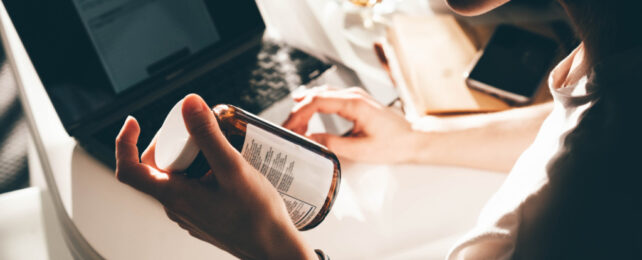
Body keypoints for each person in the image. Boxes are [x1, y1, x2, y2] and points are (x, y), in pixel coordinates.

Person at [114, 0, 642, 258]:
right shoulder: (618, 48)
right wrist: (416, 138)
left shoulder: (589, 209)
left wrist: (269, 246)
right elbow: (575, 117)